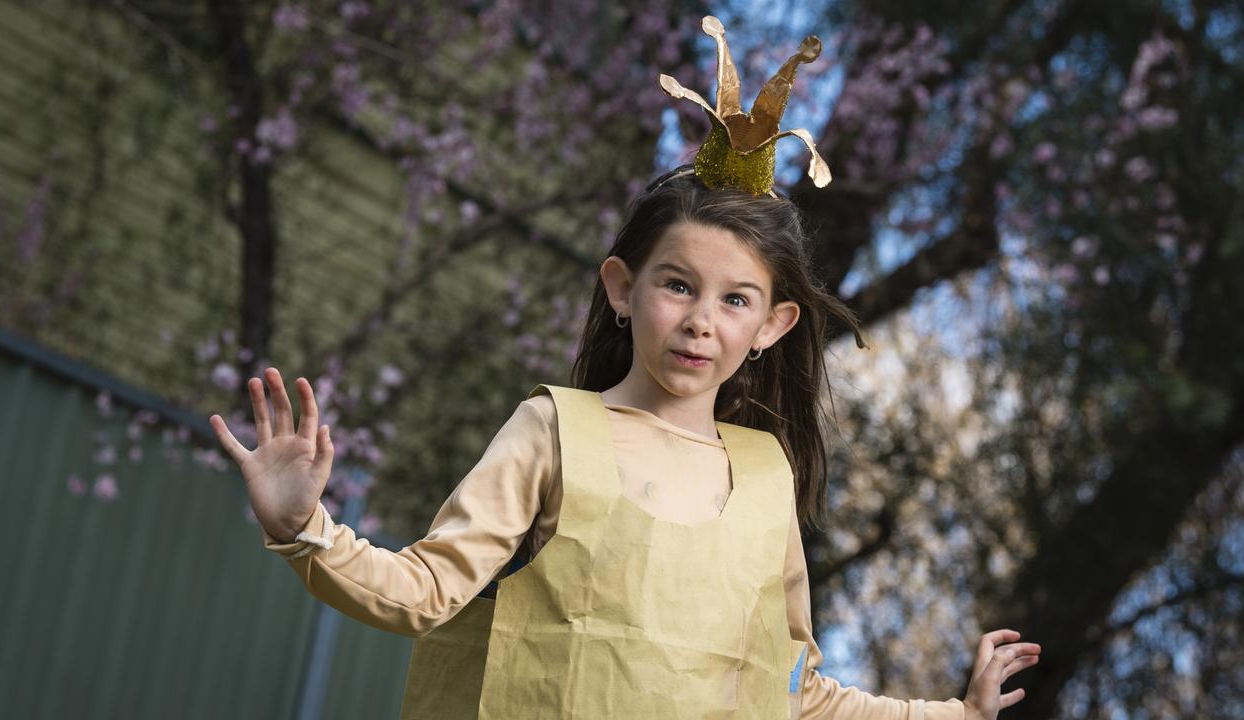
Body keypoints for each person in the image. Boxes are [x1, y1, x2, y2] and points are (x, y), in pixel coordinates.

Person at [209, 14, 1040, 720]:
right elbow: (426, 590)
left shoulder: (765, 478)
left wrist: (955, 713)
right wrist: (303, 530)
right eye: (677, 285)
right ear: (623, 287)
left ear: (774, 326)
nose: (700, 322)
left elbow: (796, 691)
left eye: (735, 301)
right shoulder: (552, 430)